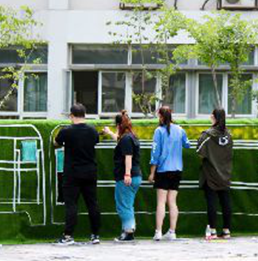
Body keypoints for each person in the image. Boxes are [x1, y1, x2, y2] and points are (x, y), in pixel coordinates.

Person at [54, 103, 101, 245]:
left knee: (71, 204)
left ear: (71, 116)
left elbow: (56, 143)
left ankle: (68, 236)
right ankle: (95, 235)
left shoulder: (66, 131)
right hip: (90, 171)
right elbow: (96, 141)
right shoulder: (92, 130)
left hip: (72, 173)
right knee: (92, 203)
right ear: (85, 115)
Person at [148, 106, 191, 241]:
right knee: (172, 202)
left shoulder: (158, 131)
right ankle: (172, 232)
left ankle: (158, 232)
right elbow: (187, 144)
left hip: (163, 170)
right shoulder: (180, 129)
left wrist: (152, 173)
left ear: (161, 116)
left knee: (161, 202)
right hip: (177, 169)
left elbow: (155, 153)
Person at [102, 110, 142, 242]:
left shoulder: (125, 139)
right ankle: (129, 230)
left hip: (127, 176)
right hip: (135, 176)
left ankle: (128, 231)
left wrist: (127, 174)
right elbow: (119, 141)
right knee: (128, 204)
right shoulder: (131, 137)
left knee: (123, 205)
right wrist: (109, 133)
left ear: (119, 125)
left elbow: (128, 157)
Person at [197, 108, 234, 240]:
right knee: (226, 202)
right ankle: (226, 230)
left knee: (212, 202)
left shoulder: (207, 135)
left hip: (211, 173)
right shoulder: (229, 135)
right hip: (226, 173)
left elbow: (199, 151)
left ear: (214, 117)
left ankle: (212, 231)